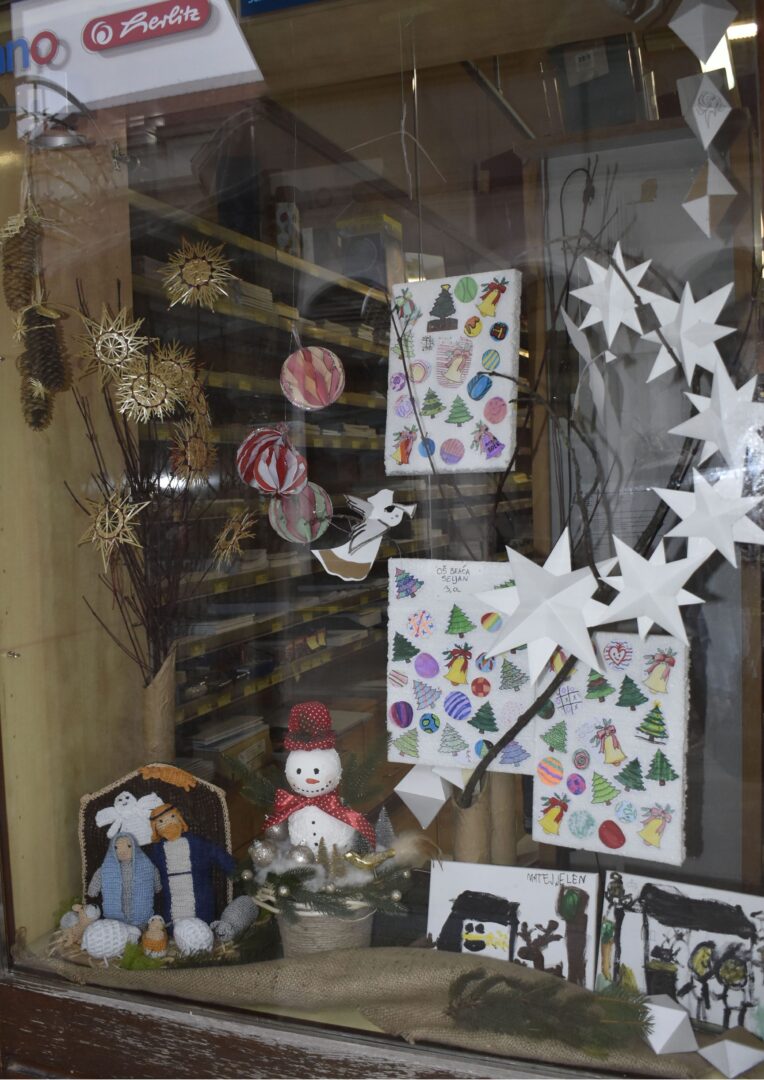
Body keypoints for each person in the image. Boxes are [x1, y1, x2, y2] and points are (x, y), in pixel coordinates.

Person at [146, 804, 235, 926]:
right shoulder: (157, 851)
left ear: (179, 818)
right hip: (173, 906)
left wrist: (235, 871)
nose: (169, 823)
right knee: (173, 919)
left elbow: (216, 853)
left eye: (172, 817)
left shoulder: (197, 842)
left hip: (201, 900)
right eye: (161, 821)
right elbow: (148, 870)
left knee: (203, 916)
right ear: (155, 828)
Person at [87, 833, 159, 928]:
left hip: (141, 919)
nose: (123, 851)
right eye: (116, 848)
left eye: (128, 846)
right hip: (115, 921)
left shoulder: (147, 867)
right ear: (112, 850)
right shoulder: (106, 869)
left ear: (135, 847)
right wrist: (92, 891)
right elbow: (96, 880)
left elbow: (156, 880)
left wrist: (157, 887)